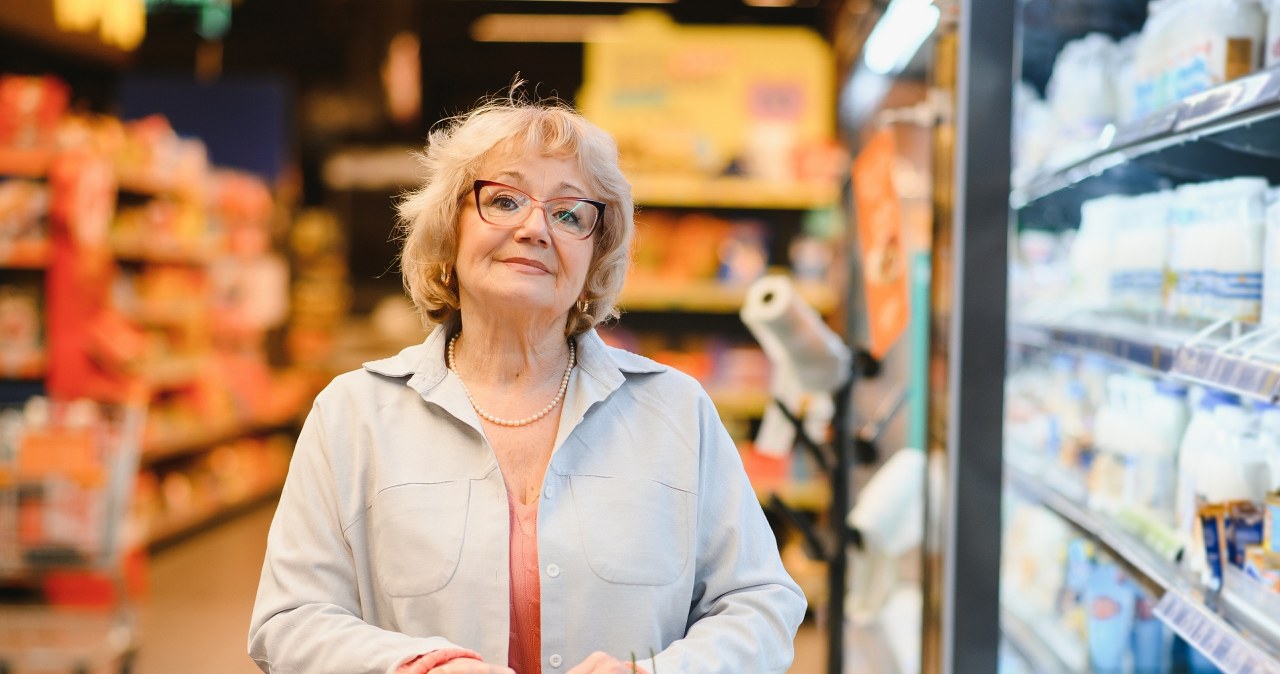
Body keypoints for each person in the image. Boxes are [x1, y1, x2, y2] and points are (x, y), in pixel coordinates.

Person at [248, 90, 806, 674]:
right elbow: (289, 620)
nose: (535, 227)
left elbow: (760, 603)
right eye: (505, 200)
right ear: (449, 232)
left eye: (569, 214)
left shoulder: (675, 410)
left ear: (594, 259)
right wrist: (417, 667)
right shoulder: (353, 415)